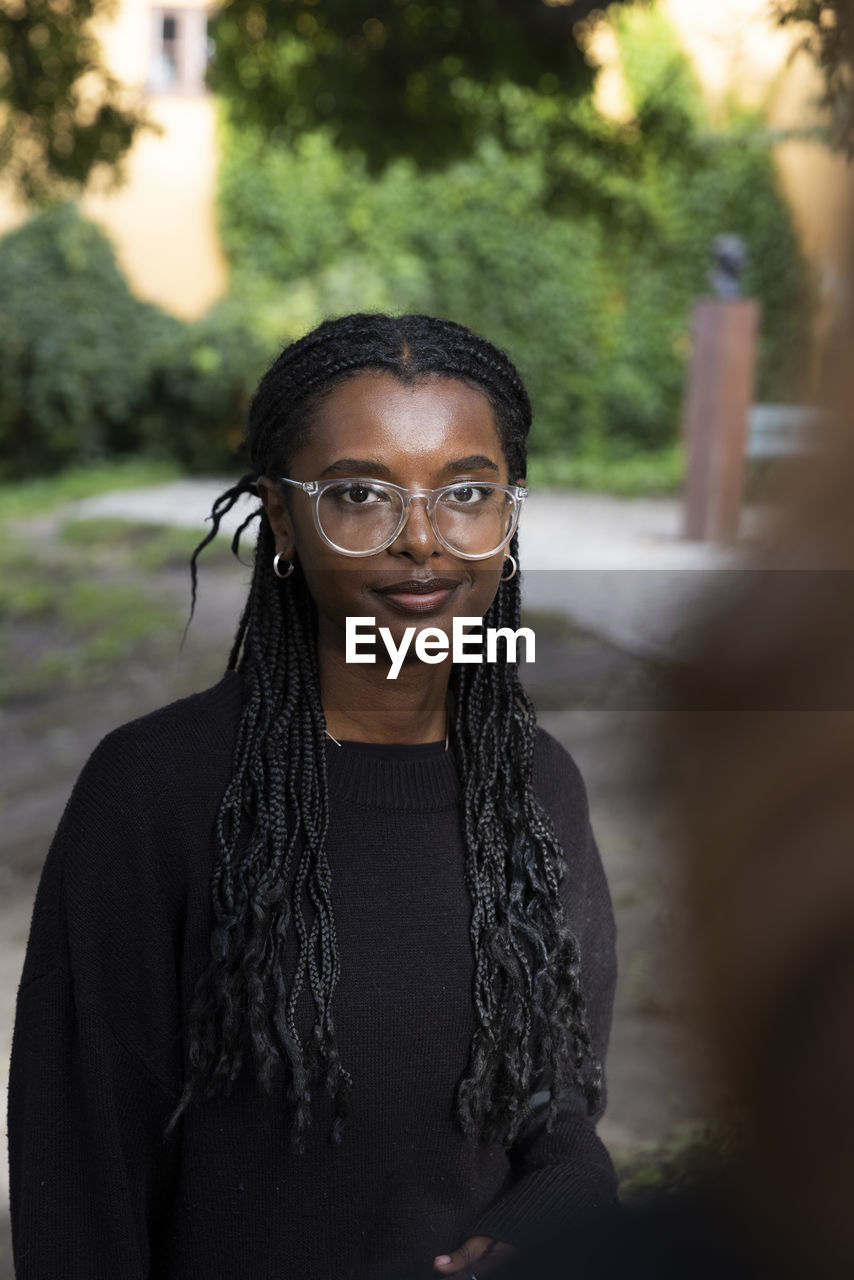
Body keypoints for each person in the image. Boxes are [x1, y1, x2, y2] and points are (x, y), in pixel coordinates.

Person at [8, 313, 618, 1280]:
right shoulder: (155, 794)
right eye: (359, 495)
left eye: (467, 492)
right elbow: (79, 1187)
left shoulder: (539, 788)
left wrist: (538, 1223)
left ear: (510, 510)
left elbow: (563, 1120)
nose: (422, 540)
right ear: (281, 519)